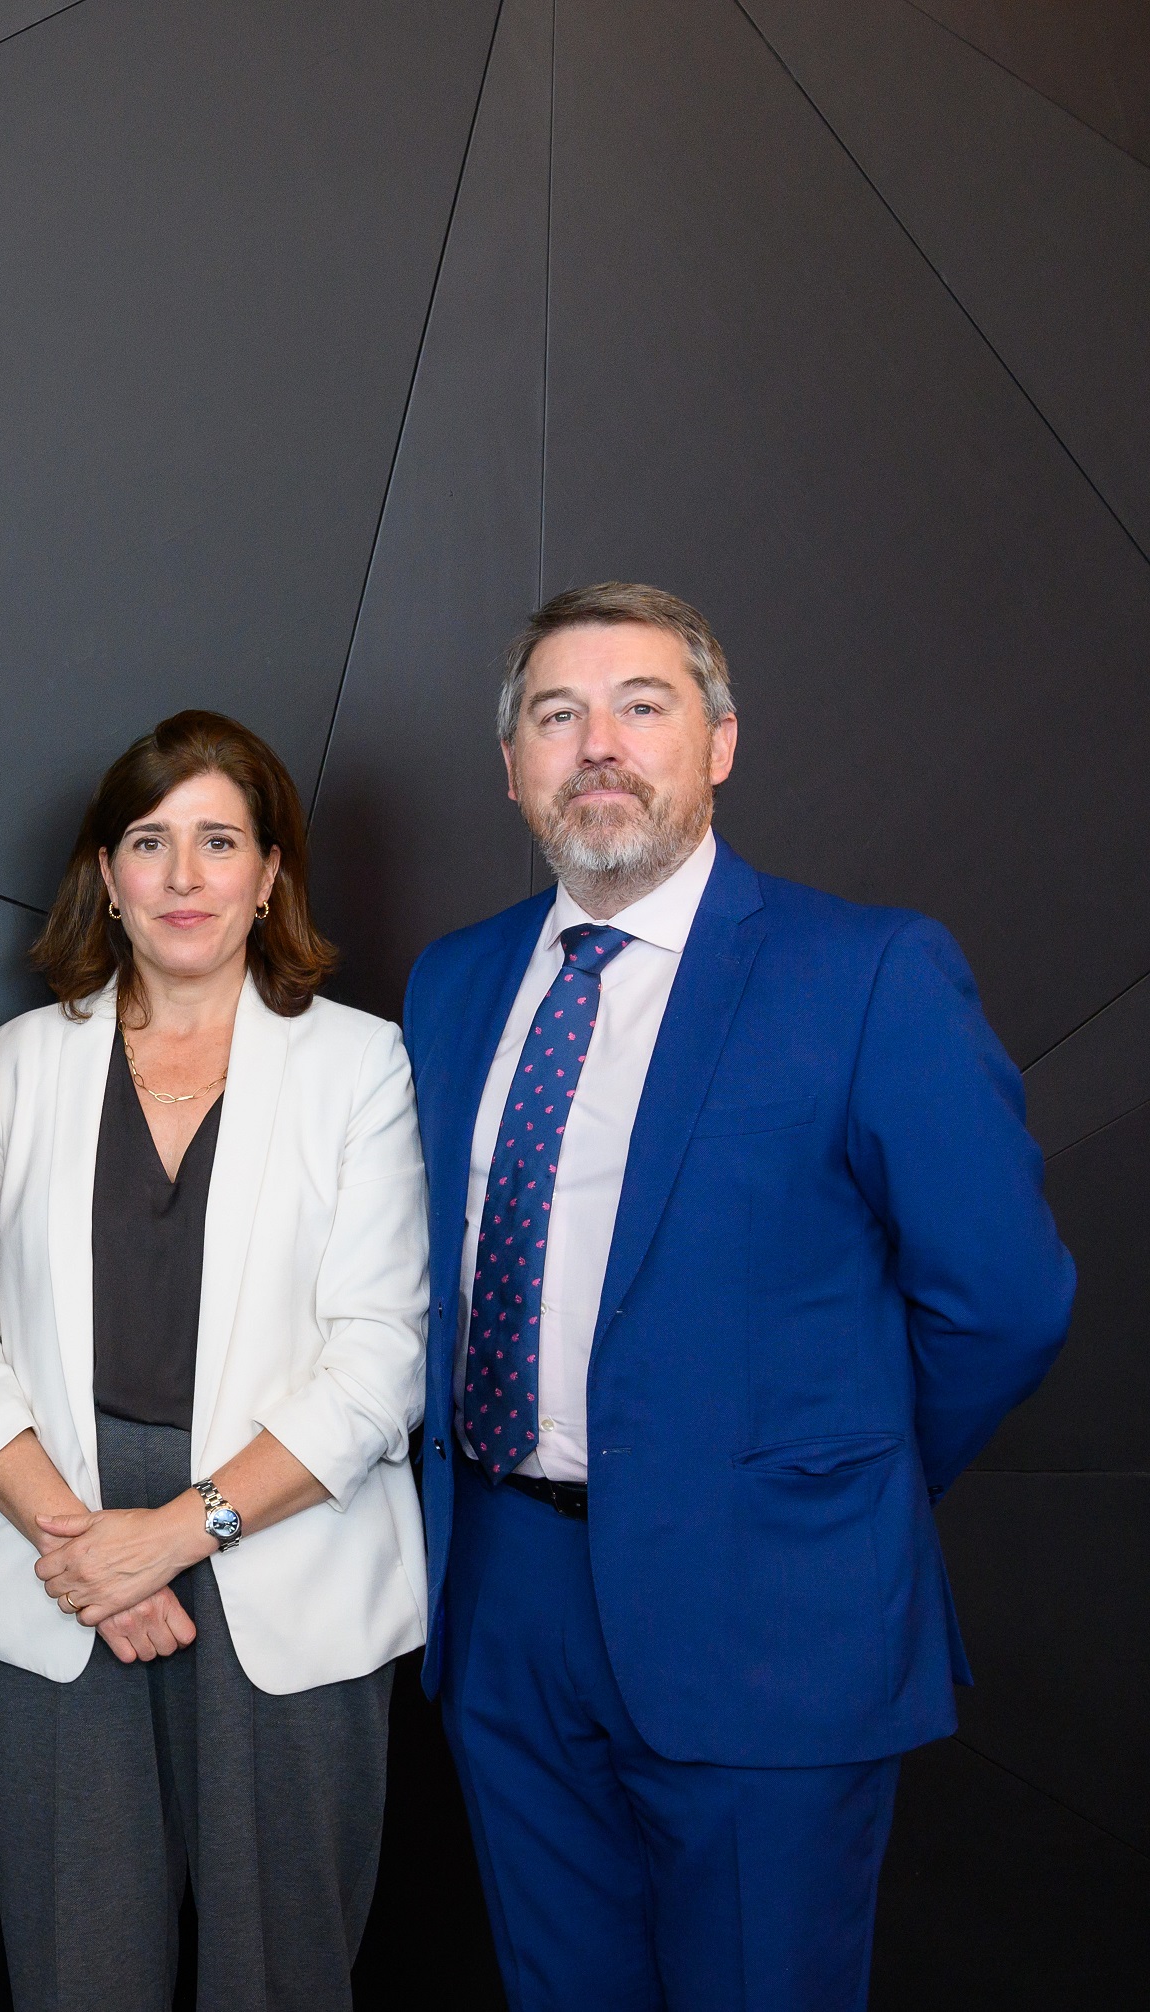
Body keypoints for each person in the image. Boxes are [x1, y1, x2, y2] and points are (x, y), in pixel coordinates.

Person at [404, 583, 1075, 2010]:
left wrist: (829, 1482)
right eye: (557, 714)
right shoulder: (453, 985)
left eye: (641, 705)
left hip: (770, 1607)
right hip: (504, 1600)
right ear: (512, 765)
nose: (598, 744)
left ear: (718, 742)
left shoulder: (867, 971)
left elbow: (1004, 1298)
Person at [0, 710, 429, 2011]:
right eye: (150, 842)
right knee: (78, 1974)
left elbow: (381, 1360)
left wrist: (173, 1537)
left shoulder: (361, 1066)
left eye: (220, 841)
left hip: (281, 1551)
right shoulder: (11, 1067)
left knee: (283, 1978)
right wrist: (88, 1547)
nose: (185, 876)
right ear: (106, 874)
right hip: (57, 1557)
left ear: (270, 875)